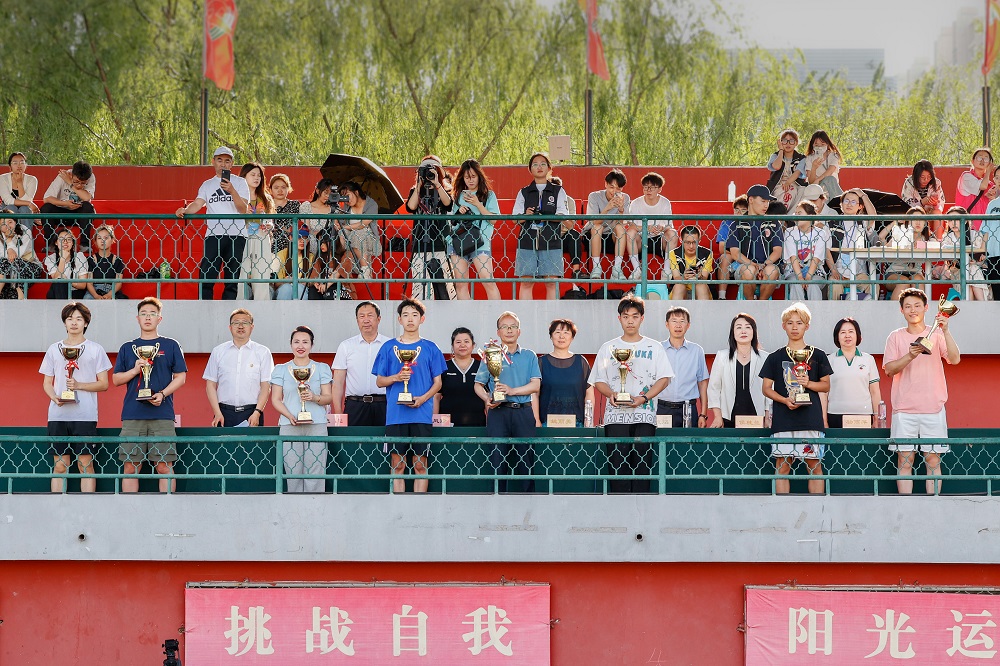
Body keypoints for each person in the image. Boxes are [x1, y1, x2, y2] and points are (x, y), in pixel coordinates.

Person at [589, 295, 673, 493]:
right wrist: (611, 394)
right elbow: (599, 380)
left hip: (644, 415)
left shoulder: (654, 347)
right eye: (626, 316)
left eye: (635, 316)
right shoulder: (608, 347)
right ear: (619, 318)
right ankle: (619, 507)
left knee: (643, 466)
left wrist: (644, 398)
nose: (630, 321)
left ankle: (642, 508)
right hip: (615, 416)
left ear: (642, 319)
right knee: (617, 466)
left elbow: (664, 378)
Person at [883, 288, 961, 494]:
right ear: (901, 310)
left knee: (933, 460)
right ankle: (905, 506)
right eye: (908, 306)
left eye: (917, 305)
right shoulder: (895, 337)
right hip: (904, 410)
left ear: (926, 308)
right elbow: (889, 370)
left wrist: (946, 330)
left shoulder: (937, 333)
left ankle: (933, 505)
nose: (913, 310)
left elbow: (955, 359)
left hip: (933, 408)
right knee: (904, 460)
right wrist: (910, 355)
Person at [112, 297, 188, 493]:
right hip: (133, 415)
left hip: (162, 415)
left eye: (152, 314)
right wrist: (134, 370)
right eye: (144, 314)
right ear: (137, 318)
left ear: (159, 319)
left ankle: (167, 507)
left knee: (164, 466)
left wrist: (162, 394)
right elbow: (116, 379)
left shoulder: (171, 345)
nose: (148, 317)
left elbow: (181, 377)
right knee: (131, 468)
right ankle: (130, 509)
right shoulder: (127, 347)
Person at [374, 298, 447, 493]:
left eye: (415, 315)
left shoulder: (431, 348)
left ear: (422, 319)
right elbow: (380, 381)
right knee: (397, 464)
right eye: (405, 315)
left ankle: (419, 506)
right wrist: (397, 377)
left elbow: (438, 383)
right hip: (396, 415)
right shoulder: (388, 347)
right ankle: (398, 506)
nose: (410, 319)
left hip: (421, 415)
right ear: (399, 319)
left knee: (420, 464)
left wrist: (422, 399)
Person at [759, 303, 833, 495]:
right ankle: (782, 509)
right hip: (783, 419)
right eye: (790, 323)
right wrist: (784, 400)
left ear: (807, 326)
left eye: (799, 323)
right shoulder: (774, 357)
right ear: (783, 326)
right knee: (782, 466)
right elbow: (766, 388)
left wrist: (808, 383)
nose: (794, 327)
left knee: (814, 466)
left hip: (810, 419)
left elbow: (826, 385)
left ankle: (818, 509)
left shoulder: (818, 355)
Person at [39, 302, 111, 493]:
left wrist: (79, 386)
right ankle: (56, 505)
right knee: (60, 465)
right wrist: (54, 397)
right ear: (64, 322)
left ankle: (88, 506)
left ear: (86, 323)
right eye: (70, 318)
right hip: (58, 416)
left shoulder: (95, 349)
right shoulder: (54, 349)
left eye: (79, 319)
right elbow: (47, 382)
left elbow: (104, 384)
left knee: (85, 464)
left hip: (85, 415)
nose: (74, 322)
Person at [474, 311, 542, 493]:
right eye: (504, 327)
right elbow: (478, 385)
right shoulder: (490, 354)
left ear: (519, 331)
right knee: (497, 459)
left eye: (513, 326)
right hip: (498, 412)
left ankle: (529, 501)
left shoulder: (529, 355)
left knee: (526, 461)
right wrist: (487, 399)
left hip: (523, 411)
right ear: (498, 332)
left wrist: (512, 391)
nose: (509, 330)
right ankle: (497, 500)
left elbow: (535, 385)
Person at [176, 146, 250, 300]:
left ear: (232, 164)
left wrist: (232, 190)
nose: (223, 164)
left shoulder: (240, 182)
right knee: (207, 274)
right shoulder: (207, 184)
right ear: (213, 162)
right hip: (214, 234)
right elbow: (198, 204)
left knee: (232, 277)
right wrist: (185, 210)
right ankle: (204, 306)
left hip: (237, 234)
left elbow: (243, 209)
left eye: (227, 161)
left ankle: (229, 308)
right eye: (219, 160)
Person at [270, 325, 333, 493]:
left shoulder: (322, 368)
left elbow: (328, 397)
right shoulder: (281, 369)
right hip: (289, 425)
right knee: (292, 471)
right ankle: (294, 507)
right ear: (291, 344)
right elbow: (275, 399)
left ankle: (316, 505)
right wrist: (289, 415)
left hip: (317, 424)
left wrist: (314, 397)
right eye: (296, 341)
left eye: (305, 342)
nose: (301, 346)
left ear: (312, 345)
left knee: (316, 471)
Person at [204, 308, 274, 428]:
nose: (240, 326)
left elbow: (266, 386)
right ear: (230, 327)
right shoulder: (218, 351)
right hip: (223, 413)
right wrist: (217, 412)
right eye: (236, 323)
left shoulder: (263, 352)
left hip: (252, 413)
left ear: (252, 327)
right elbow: (210, 385)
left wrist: (257, 412)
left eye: (245, 322)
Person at [512, 152, 567, 300]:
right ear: (530, 169)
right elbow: (515, 219)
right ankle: (525, 313)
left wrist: (546, 215)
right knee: (526, 282)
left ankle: (552, 314)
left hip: (551, 241)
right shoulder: (524, 192)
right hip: (527, 241)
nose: (539, 167)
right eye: (535, 164)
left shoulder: (558, 191)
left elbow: (563, 215)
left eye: (543, 164)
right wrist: (527, 215)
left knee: (551, 282)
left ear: (549, 168)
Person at [448, 159, 501, 300]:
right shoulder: (458, 196)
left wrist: (478, 204)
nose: (470, 180)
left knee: (487, 280)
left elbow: (494, 219)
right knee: (461, 284)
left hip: (481, 240)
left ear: (479, 176)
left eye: (473, 176)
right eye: (467, 177)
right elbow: (452, 221)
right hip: (460, 239)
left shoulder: (489, 195)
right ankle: (465, 313)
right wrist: (459, 212)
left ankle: (498, 312)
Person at [332, 301, 390, 426]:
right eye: (362, 316)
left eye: (370, 315)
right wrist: (338, 412)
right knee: (354, 439)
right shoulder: (346, 346)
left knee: (386, 439)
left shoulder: (389, 345)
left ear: (378, 319)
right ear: (357, 320)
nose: (366, 320)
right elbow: (338, 383)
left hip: (384, 405)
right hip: (355, 405)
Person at [405, 156, 456, 301]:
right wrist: (419, 184)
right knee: (419, 287)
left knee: (446, 286)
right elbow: (411, 207)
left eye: (432, 171)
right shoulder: (416, 191)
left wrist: (437, 183)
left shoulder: (445, 190)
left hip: (441, 242)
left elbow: (448, 204)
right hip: (420, 243)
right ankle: (420, 309)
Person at [707, 313, 769, 428]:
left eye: (748, 327)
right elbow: (714, 388)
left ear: (754, 332)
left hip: (757, 419)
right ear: (733, 332)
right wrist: (717, 416)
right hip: (728, 418)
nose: (743, 331)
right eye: (739, 327)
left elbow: (769, 390)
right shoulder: (722, 356)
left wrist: (768, 416)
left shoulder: (765, 358)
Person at [726, 185, 782, 300]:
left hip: (768, 264)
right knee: (749, 271)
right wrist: (753, 265)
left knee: (772, 271)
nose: (766, 205)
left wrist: (763, 265)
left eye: (768, 202)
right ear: (751, 200)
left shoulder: (774, 222)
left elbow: (777, 251)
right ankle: (750, 303)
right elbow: (735, 253)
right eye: (763, 201)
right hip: (744, 266)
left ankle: (761, 304)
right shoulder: (737, 223)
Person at [656, 307, 708, 428]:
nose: (678, 325)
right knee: (661, 440)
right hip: (662, 408)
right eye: (674, 321)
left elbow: (702, 383)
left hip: (688, 409)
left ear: (688, 325)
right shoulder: (658, 349)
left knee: (688, 440)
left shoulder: (697, 351)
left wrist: (703, 414)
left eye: (682, 321)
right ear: (667, 324)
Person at [826, 317, 881, 429]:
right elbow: (824, 393)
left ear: (857, 335)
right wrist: (823, 420)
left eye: (851, 331)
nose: (847, 336)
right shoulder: (829, 360)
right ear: (837, 337)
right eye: (843, 332)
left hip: (864, 415)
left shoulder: (868, 359)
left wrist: (877, 418)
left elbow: (875, 391)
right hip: (835, 415)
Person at [538, 319, 593, 427]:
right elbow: (535, 394)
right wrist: (536, 420)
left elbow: (589, 393)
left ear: (572, 337)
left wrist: (589, 420)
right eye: (557, 332)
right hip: (547, 424)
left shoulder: (581, 362)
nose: (561, 336)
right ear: (551, 336)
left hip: (577, 424)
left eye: (566, 333)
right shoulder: (541, 362)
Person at [825, 188, 875, 301]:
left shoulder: (863, 222)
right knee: (834, 286)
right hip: (838, 271)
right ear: (841, 204)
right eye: (846, 201)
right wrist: (833, 270)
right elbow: (826, 250)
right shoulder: (832, 224)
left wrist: (863, 195)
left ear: (860, 206)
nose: (849, 204)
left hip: (859, 273)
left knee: (872, 286)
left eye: (853, 202)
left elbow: (873, 216)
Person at [627, 171, 678, 280]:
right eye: (646, 187)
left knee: (672, 234)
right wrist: (646, 228)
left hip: (659, 239)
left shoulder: (665, 202)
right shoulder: (635, 203)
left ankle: (667, 271)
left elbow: (669, 226)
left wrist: (662, 228)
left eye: (652, 187)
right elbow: (631, 225)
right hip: (641, 239)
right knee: (630, 233)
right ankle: (636, 270)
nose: (648, 190)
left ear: (659, 189)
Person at [237, 162, 276, 301]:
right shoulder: (237, 197)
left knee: (262, 273)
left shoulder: (265, 197)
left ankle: (262, 305)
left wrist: (269, 225)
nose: (256, 178)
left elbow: (270, 219)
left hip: (262, 236)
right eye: (252, 174)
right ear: (244, 176)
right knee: (240, 273)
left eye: (259, 175)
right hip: (242, 236)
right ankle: (239, 305)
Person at [586, 169, 633, 280]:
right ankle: (596, 268)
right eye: (612, 187)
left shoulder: (625, 198)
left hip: (612, 237)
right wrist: (608, 208)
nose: (614, 191)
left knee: (620, 228)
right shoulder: (594, 196)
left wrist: (621, 210)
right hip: (592, 235)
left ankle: (617, 269)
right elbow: (594, 222)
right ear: (606, 184)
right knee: (598, 227)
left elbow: (621, 224)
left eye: (618, 188)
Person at [40, 160, 96, 252]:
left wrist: (71, 183)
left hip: (79, 215)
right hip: (61, 212)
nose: (79, 185)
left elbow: (86, 198)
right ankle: (50, 245)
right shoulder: (63, 176)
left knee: (88, 206)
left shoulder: (90, 177)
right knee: (46, 208)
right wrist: (65, 203)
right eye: (76, 181)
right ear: (71, 174)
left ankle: (84, 245)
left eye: (83, 183)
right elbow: (46, 198)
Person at [435, 327, 486, 427]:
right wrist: (435, 424)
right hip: (446, 423)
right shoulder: (443, 367)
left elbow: (487, 397)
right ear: (452, 346)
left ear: (473, 345)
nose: (462, 345)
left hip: (477, 422)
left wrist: (490, 424)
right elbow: (436, 397)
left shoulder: (482, 367)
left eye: (466, 341)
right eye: (458, 342)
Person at [938, 206, 990, 300]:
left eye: (957, 220)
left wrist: (976, 262)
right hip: (958, 272)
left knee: (972, 269)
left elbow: (982, 260)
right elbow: (948, 262)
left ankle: (972, 304)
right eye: (950, 220)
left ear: (965, 221)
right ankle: (982, 302)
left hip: (976, 269)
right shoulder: (947, 238)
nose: (953, 223)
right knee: (968, 274)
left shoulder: (974, 235)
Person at [880, 208, 931, 301]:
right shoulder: (900, 235)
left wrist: (922, 245)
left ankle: (918, 309)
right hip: (895, 272)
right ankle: (895, 310)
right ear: (907, 221)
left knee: (917, 281)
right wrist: (894, 223)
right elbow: (881, 238)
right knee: (904, 282)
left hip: (915, 272)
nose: (918, 222)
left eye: (921, 219)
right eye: (914, 219)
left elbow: (937, 247)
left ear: (925, 223)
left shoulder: (927, 239)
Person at [782, 201, 826, 301]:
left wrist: (809, 276)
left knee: (812, 285)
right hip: (794, 271)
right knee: (796, 284)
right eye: (796, 213)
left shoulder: (820, 233)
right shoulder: (790, 232)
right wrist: (800, 277)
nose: (796, 216)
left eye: (800, 213)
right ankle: (797, 310)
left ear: (810, 216)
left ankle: (816, 310)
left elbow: (817, 257)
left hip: (815, 272)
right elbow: (793, 257)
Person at [338, 181, 381, 281]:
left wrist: (345, 227)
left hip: (368, 239)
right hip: (351, 238)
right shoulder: (347, 206)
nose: (347, 200)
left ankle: (365, 269)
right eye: (344, 197)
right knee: (341, 234)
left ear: (356, 192)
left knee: (358, 232)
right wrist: (338, 221)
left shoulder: (372, 204)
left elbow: (363, 223)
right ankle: (341, 264)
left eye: (348, 196)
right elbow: (342, 223)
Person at [955, 147, 1000, 228]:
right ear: (972, 161)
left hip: (984, 225)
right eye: (979, 157)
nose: (982, 160)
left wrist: (991, 197)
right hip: (967, 225)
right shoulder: (966, 176)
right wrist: (988, 172)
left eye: (986, 159)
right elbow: (982, 186)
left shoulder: (990, 184)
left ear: (989, 163)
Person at [269, 173, 299, 289]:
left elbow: (294, 226)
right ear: (270, 189)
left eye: (283, 187)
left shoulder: (294, 204)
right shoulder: (267, 205)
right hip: (270, 244)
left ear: (288, 188)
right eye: (276, 187)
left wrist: (279, 227)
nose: (280, 190)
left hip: (288, 245)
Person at [715, 195, 748, 299]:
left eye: (743, 210)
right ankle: (722, 296)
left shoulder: (752, 223)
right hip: (732, 257)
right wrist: (735, 254)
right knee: (725, 257)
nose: (739, 212)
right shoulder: (727, 222)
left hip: (748, 258)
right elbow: (722, 248)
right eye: (736, 209)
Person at [0, 216, 41, 299]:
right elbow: (2, 255)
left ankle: (20, 298)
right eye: (3, 224)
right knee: (4, 262)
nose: (7, 226)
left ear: (16, 222)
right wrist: (10, 250)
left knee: (15, 263)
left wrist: (9, 241)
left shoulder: (25, 231)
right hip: (8, 269)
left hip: (29, 266)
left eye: (10, 222)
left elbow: (18, 254)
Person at [902, 159, 945, 237]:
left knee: (938, 213)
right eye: (922, 177)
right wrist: (921, 203)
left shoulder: (937, 183)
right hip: (914, 213)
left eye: (929, 177)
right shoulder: (909, 183)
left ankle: (938, 240)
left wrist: (935, 204)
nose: (926, 180)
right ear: (916, 176)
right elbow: (907, 205)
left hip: (930, 213)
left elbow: (941, 202)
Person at [766, 129, 807, 211]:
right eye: (785, 141)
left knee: (792, 190)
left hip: (794, 184)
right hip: (778, 184)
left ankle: (788, 215)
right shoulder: (775, 156)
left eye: (791, 141)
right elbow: (776, 167)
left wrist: (788, 182)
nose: (788, 144)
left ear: (796, 143)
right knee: (781, 191)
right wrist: (781, 150)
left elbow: (797, 172)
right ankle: (779, 213)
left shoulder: (801, 158)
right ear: (781, 143)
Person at [668, 225, 713, 300]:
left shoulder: (707, 254)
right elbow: (676, 277)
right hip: (681, 291)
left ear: (699, 240)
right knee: (679, 286)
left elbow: (705, 278)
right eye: (688, 242)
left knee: (701, 286)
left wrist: (700, 276)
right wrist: (684, 277)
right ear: (681, 240)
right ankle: (677, 308)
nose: (691, 246)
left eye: (694, 242)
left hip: (700, 291)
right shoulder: (673, 254)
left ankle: (703, 308)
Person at [306, 230, 354, 301]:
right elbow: (313, 274)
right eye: (319, 242)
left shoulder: (346, 254)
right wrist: (315, 283)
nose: (321, 245)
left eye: (323, 242)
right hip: (324, 287)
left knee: (330, 293)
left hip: (341, 287)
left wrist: (326, 285)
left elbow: (338, 272)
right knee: (313, 291)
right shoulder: (320, 257)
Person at [43, 229, 90, 300]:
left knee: (61, 282)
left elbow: (83, 285)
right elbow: (56, 279)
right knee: (59, 283)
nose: (65, 242)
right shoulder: (50, 259)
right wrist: (62, 259)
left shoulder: (79, 257)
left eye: (68, 239)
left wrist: (67, 281)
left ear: (72, 243)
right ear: (56, 242)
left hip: (75, 292)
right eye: (61, 239)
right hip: (57, 291)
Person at [86, 224, 127, 300]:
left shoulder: (117, 260)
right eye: (99, 238)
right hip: (94, 290)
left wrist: (109, 295)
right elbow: (89, 283)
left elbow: (118, 283)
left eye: (106, 238)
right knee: (87, 299)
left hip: (112, 290)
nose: (102, 241)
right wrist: (96, 296)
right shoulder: (91, 259)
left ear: (112, 240)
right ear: (95, 241)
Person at [274, 229, 313, 300]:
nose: (302, 241)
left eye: (305, 238)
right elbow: (275, 284)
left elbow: (313, 280)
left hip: (302, 288)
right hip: (283, 288)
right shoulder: (281, 255)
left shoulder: (311, 257)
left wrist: (307, 282)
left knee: (299, 288)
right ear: (291, 238)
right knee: (286, 288)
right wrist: (285, 280)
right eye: (299, 237)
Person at [802, 130, 843, 198]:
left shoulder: (834, 156)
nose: (819, 147)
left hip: (831, 187)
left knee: (830, 179)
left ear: (827, 144)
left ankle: (840, 200)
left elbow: (830, 171)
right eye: (816, 145)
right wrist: (814, 167)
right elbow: (811, 182)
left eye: (822, 144)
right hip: (817, 188)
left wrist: (818, 179)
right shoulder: (809, 158)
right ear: (812, 145)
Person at [0, 152, 40, 216]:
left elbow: (26, 200)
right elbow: (8, 201)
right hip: (7, 207)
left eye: (22, 162)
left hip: (25, 208)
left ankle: (25, 224)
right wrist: (29, 203)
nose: (19, 165)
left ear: (25, 165)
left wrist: (20, 183)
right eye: (15, 163)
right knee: (11, 207)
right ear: (10, 166)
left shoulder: (32, 179)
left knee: (24, 209)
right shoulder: (2, 178)